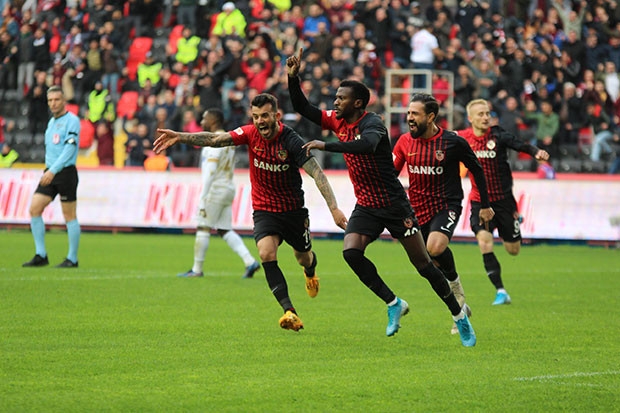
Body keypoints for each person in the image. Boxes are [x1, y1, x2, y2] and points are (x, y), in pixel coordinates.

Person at [287, 48, 477, 346]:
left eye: (341, 98)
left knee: (424, 265)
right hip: (366, 205)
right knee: (351, 252)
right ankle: (393, 303)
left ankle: (458, 315)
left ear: (357, 103)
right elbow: (303, 107)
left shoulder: (373, 124)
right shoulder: (337, 120)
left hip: (394, 204)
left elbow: (366, 145)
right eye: (336, 98)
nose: (335, 102)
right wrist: (293, 78)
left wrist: (327, 146)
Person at [154, 93, 347, 332]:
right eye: (255, 116)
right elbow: (216, 139)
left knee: (303, 257)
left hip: (293, 211)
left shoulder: (292, 141)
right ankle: (289, 311)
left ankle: (310, 272)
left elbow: (317, 173)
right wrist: (180, 136)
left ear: (276, 116)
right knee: (266, 253)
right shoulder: (249, 133)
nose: (260, 121)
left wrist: (334, 208)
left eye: (265, 116)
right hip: (264, 209)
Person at [393, 93, 495, 335]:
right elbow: (390, 174)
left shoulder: (453, 142)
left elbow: (477, 170)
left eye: (415, 113)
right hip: (416, 209)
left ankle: (458, 296)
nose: (409, 118)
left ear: (430, 117)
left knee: (435, 247)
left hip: (446, 205)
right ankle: (460, 306)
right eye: (408, 113)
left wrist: (485, 204)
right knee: (428, 260)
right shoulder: (404, 142)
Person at [457, 99, 549, 305]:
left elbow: (521, 145)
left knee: (513, 250)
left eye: (487, 113)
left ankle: (516, 220)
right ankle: (500, 291)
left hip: (504, 202)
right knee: (484, 241)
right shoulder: (463, 138)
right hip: (480, 202)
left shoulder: (498, 135)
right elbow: (439, 138)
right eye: (480, 114)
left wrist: (536, 152)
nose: (485, 117)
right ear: (470, 118)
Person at [176, 108, 261, 279]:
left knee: (203, 226)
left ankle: (197, 269)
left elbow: (211, 171)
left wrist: (203, 197)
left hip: (216, 189)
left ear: (213, 121)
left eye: (204, 118)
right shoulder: (228, 139)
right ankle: (250, 261)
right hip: (228, 187)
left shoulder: (214, 142)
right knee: (224, 229)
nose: (201, 122)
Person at [23, 86, 81, 268]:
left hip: (65, 173)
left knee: (69, 215)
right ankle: (41, 254)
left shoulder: (72, 121)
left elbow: (69, 149)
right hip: (50, 172)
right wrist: (49, 170)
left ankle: (72, 259)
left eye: (56, 99)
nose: (53, 103)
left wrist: (53, 170)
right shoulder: (51, 123)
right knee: (35, 208)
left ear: (63, 101)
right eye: (50, 100)